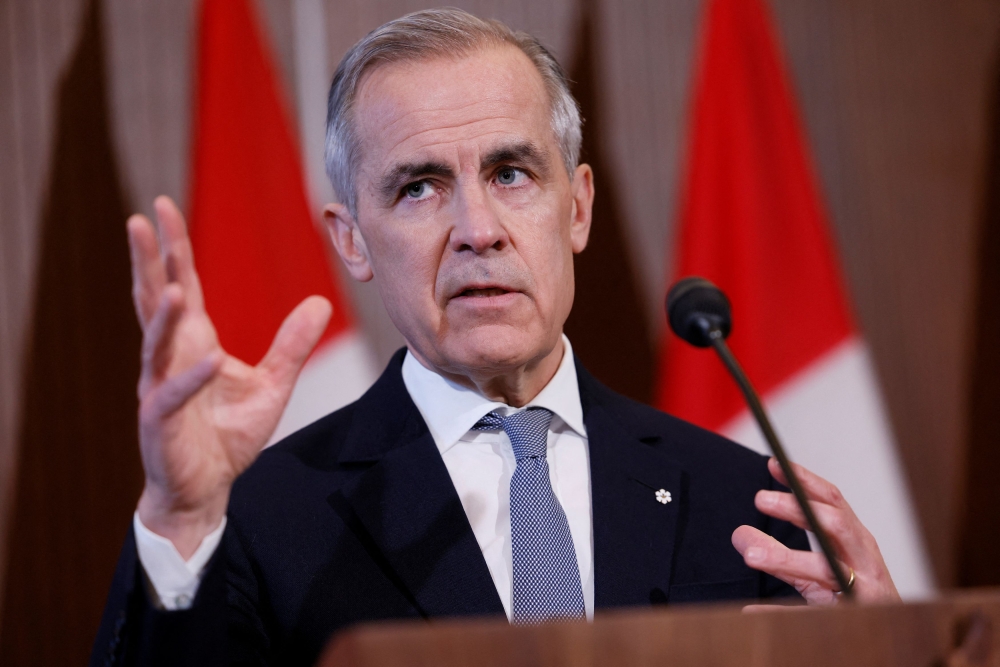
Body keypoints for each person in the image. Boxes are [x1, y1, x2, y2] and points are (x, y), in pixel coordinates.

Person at [91, 8, 899, 666]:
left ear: (577, 207)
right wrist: (182, 519)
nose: (479, 229)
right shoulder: (261, 518)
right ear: (352, 240)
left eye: (511, 174)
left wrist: (891, 654)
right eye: (419, 188)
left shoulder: (745, 502)